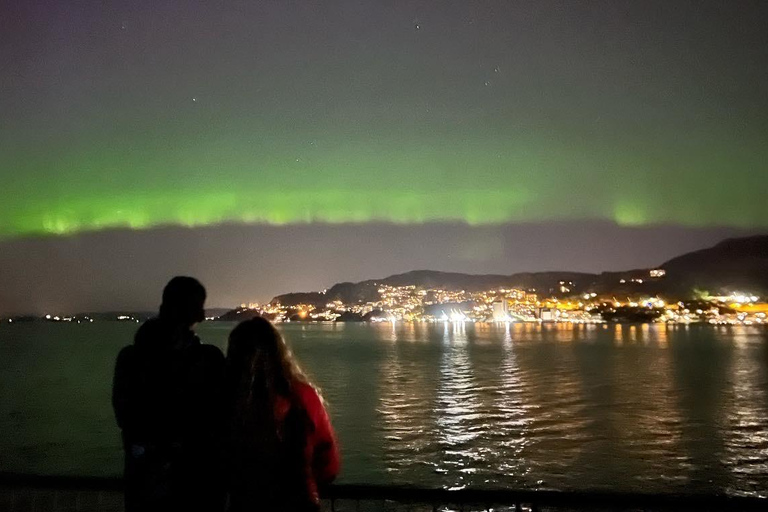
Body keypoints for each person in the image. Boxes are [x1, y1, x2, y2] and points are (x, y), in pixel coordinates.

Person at [112, 276, 226, 512]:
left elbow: (127, 418)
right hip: (197, 488)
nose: (202, 317)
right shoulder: (208, 360)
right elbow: (222, 418)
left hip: (144, 486)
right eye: (197, 308)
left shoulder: (129, 361)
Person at [226, 317, 340, 511]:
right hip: (298, 501)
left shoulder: (223, 399)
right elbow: (328, 462)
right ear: (280, 352)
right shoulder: (302, 396)